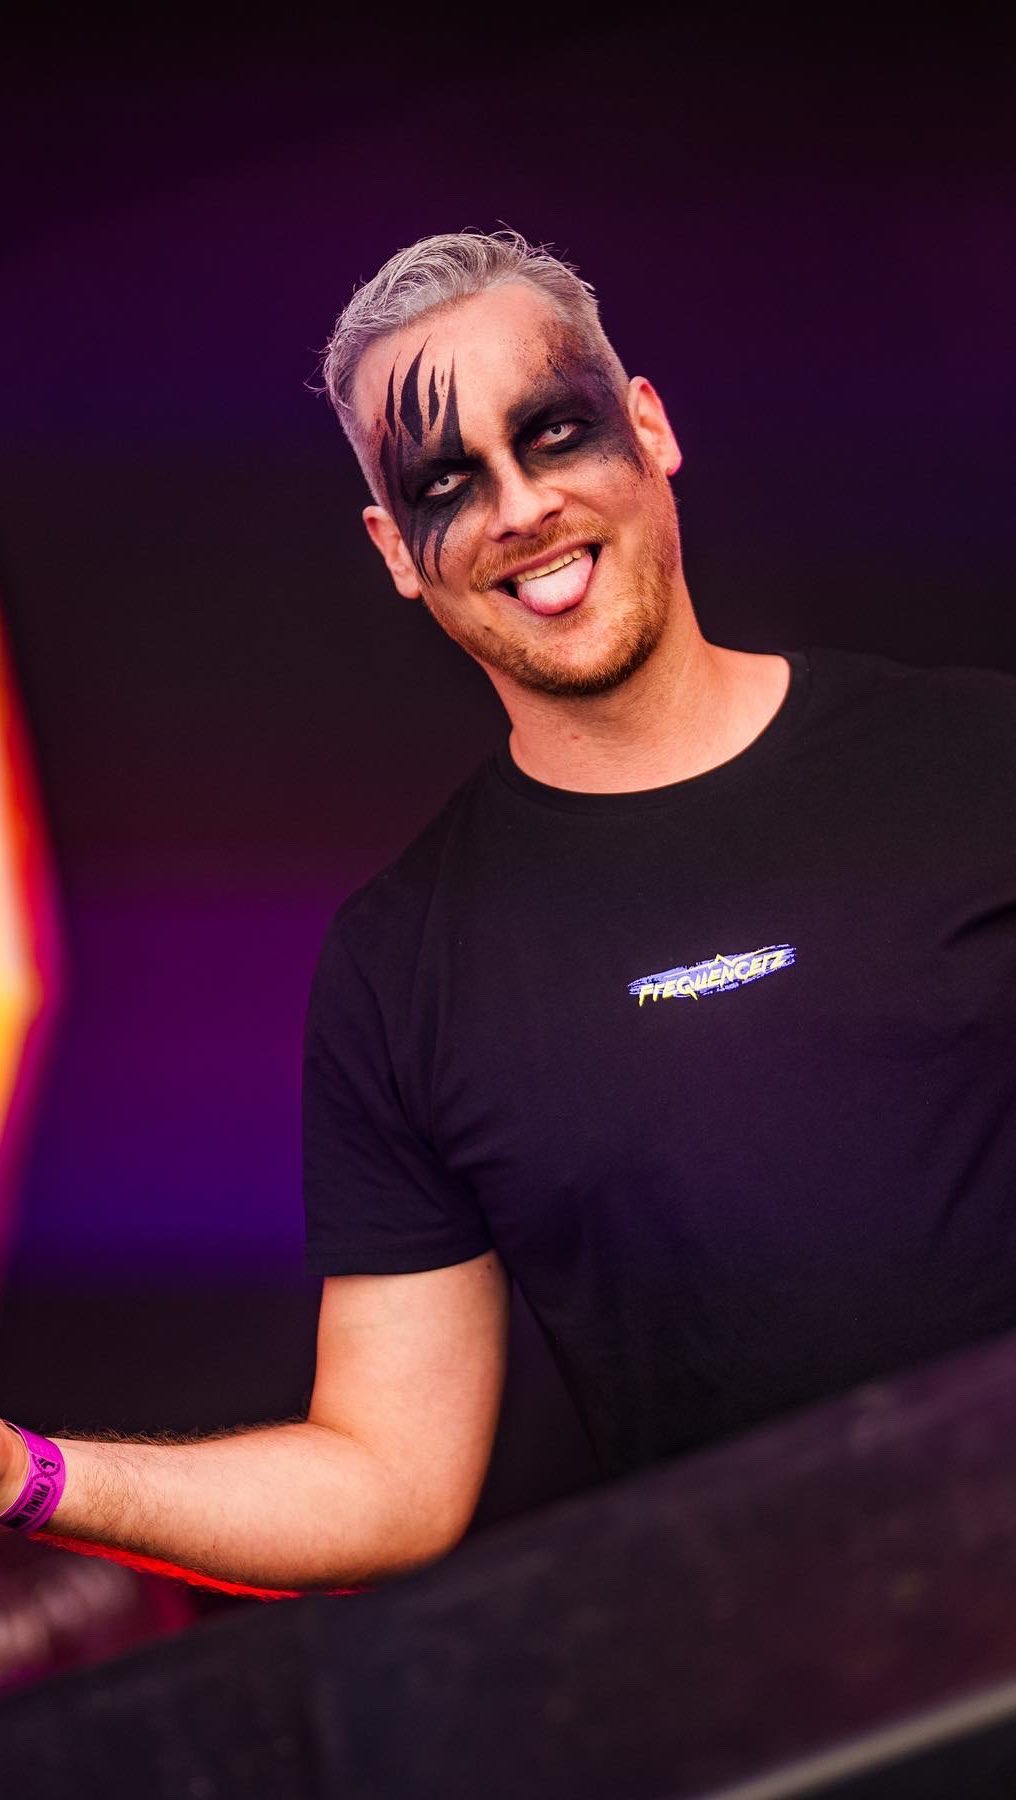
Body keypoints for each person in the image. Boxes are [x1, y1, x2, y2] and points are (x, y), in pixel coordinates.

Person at [2, 230, 1015, 1591]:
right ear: (395, 550)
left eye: (553, 434)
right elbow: (387, 1481)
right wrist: (26, 1475)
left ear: (649, 428)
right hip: (790, 1687)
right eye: (446, 482)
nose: (521, 507)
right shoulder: (403, 967)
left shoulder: (980, 760)